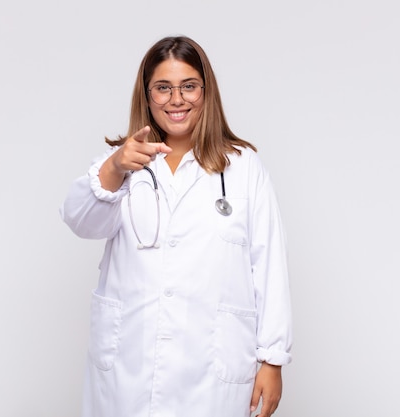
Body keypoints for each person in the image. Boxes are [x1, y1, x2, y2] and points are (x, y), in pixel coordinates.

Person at [60, 35, 292, 417]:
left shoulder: (243, 167)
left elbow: (268, 265)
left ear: (206, 91)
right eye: (163, 88)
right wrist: (116, 166)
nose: (176, 99)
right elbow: (79, 220)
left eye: (189, 86)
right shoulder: (124, 162)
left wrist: (273, 358)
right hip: (129, 364)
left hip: (210, 367)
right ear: (147, 95)